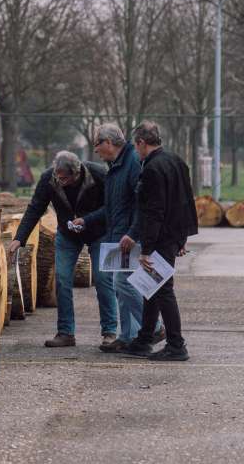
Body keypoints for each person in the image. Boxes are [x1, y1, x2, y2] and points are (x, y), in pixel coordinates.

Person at [7, 151, 116, 347]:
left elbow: (112, 206)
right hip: (67, 234)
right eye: (58, 176)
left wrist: (87, 220)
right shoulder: (49, 178)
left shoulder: (98, 174)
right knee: (62, 279)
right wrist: (19, 238)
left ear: (77, 173)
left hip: (100, 232)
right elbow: (36, 208)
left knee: (102, 279)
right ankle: (66, 332)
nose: (60, 181)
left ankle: (110, 332)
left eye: (64, 178)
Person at [73, 124, 163, 353]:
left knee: (123, 283)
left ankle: (155, 327)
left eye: (97, 144)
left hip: (129, 237)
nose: (95, 150)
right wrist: (88, 220)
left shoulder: (131, 162)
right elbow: (112, 207)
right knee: (120, 287)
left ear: (109, 142)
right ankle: (128, 336)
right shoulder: (114, 167)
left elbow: (140, 203)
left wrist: (133, 233)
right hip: (119, 235)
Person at [123, 120, 198, 361]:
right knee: (151, 286)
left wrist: (146, 249)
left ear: (142, 143)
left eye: (136, 146)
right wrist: (183, 236)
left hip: (161, 238)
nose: (136, 151)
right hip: (173, 235)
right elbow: (186, 199)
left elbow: (153, 212)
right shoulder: (176, 161)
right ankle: (145, 338)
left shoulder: (152, 169)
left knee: (163, 289)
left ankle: (176, 345)